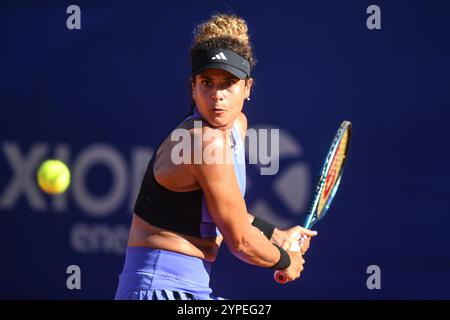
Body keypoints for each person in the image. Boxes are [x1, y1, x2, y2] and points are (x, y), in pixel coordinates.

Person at [114, 13, 317, 300]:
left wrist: (277, 236)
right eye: (207, 82)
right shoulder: (203, 141)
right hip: (156, 289)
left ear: (247, 88)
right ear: (193, 88)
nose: (217, 95)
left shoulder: (236, 127)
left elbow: (222, 210)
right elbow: (241, 242)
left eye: (228, 82)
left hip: (192, 291)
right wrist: (286, 260)